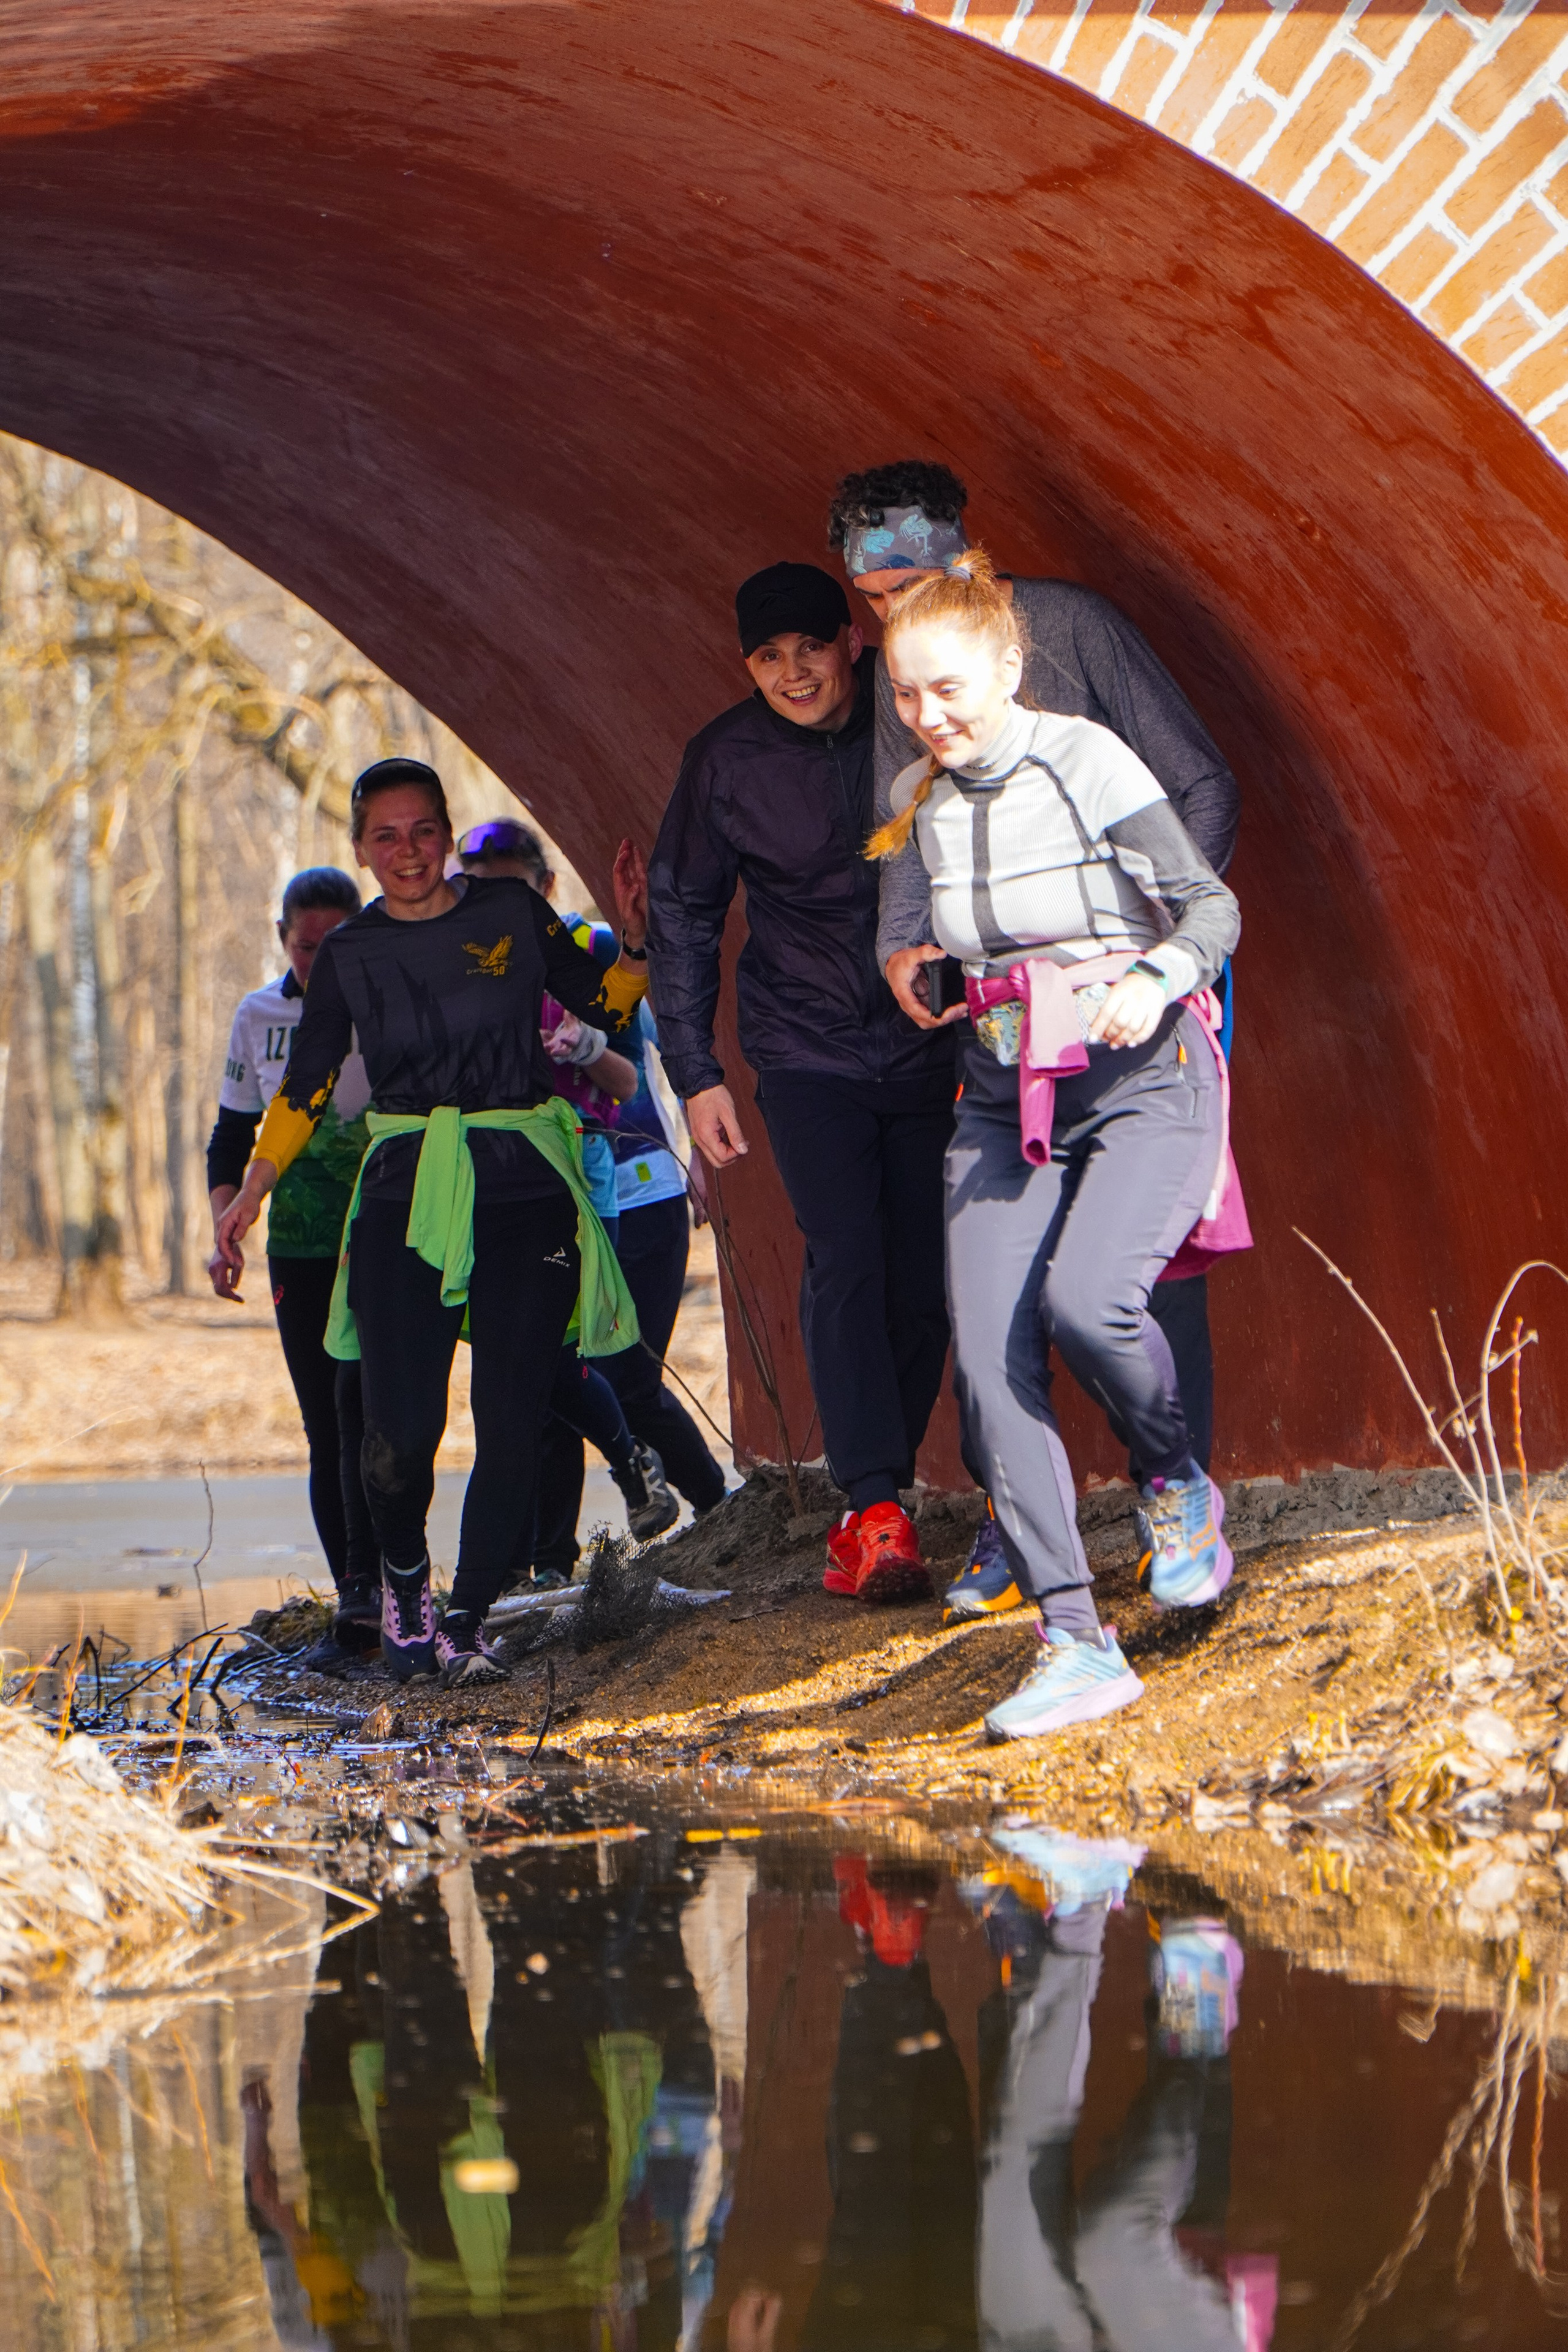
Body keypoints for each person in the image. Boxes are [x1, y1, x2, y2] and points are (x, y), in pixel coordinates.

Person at [829, 460, 1241, 1625]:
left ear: (971, 568)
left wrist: (1150, 949)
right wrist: (904, 939)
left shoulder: (1072, 628)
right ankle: (1021, 1534)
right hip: (1006, 1023)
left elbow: (1200, 785)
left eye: (921, 583)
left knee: (1142, 1266)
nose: (904, 630)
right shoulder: (907, 696)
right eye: (878, 602)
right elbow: (902, 826)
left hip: (1142, 986)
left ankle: (1178, 1495)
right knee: (996, 1302)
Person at [213, 758, 651, 1690]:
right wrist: (252, 1190)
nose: (406, 852)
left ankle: (465, 1618)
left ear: (447, 834)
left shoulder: (510, 913)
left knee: (513, 1413)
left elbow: (605, 1006)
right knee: (396, 1433)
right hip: (404, 1188)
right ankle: (406, 1579)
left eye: (422, 832)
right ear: (362, 848)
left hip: (525, 1182)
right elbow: (307, 1085)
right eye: (385, 836)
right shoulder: (352, 953)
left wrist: (640, 941)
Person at [647, 562, 954, 1604]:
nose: (793, 673)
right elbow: (681, 913)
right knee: (847, 1257)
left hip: (929, 1035)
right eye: (769, 658)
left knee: (925, 1280)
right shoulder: (726, 760)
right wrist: (696, 1074)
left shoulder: (911, 719)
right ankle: (872, 1508)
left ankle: (876, 1501)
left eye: (809, 650)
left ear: (850, 643)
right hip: (804, 1047)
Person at [454, 818, 681, 1563]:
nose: (494, 897)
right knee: (518, 1377)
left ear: (545, 885)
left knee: (587, 1362)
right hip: (478, 1183)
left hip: (588, 1176)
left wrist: (583, 1045)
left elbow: (630, 1075)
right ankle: (538, 1559)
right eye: (478, 881)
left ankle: (669, 1495)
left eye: (512, 880)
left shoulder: (587, 950)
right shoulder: (454, 961)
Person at [206, 867, 381, 1674]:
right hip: (301, 1245)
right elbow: (232, 1137)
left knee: (380, 1418)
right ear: (284, 940)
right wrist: (226, 1223)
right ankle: (357, 1593)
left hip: (385, 1237)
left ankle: (396, 1586)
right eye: (307, 947)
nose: (320, 960)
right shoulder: (260, 1015)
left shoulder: (390, 1000)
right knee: (326, 1425)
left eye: (336, 944)